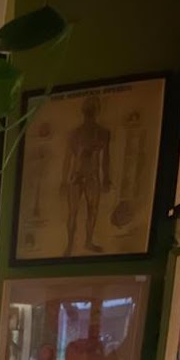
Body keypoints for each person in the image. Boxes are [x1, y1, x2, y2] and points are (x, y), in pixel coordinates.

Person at [61, 94, 112, 255]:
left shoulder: (103, 133)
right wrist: (63, 181)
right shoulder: (74, 134)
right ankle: (70, 244)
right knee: (74, 212)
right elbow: (67, 159)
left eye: (92, 109)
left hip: (92, 176)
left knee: (92, 210)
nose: (90, 112)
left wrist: (106, 178)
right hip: (77, 176)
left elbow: (106, 157)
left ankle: (87, 242)